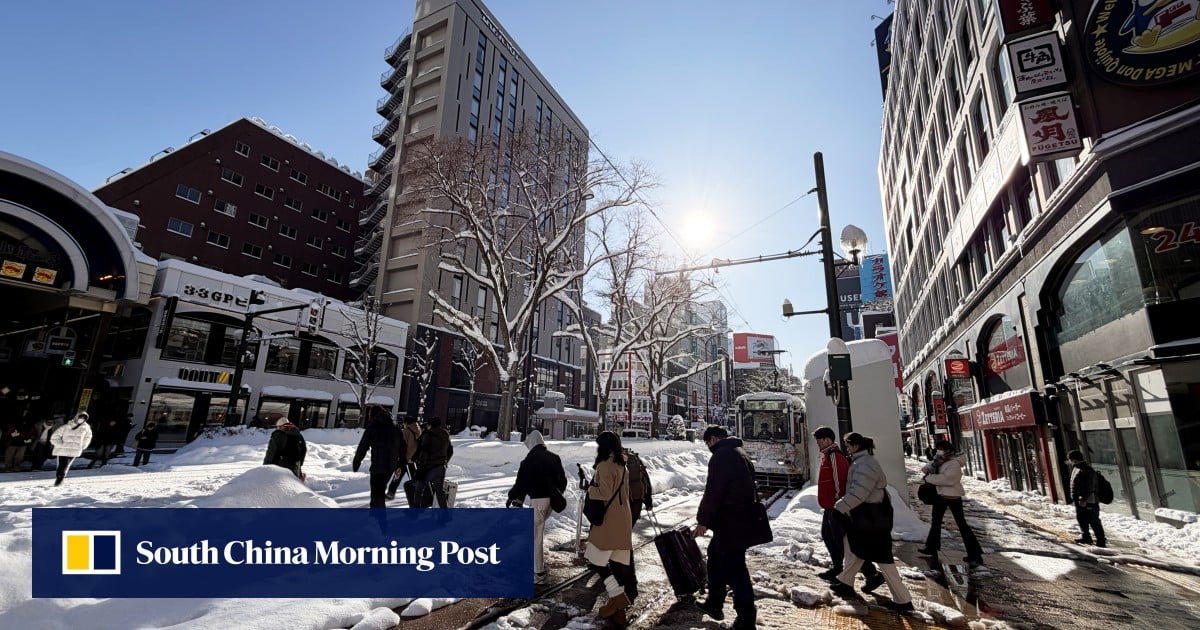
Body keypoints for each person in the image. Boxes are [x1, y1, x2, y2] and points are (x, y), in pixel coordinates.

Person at [829, 432, 914, 613]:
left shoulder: (865, 465)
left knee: (882, 559)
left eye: (848, 444)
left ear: (856, 446)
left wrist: (840, 508)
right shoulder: (863, 462)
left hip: (870, 518)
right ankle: (845, 581)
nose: (847, 448)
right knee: (855, 549)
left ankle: (903, 599)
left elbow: (859, 492)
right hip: (868, 518)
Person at [694, 425, 758, 630]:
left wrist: (703, 521)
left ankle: (746, 620)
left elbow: (714, 491)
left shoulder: (722, 456)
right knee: (715, 557)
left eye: (707, 443)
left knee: (735, 570)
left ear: (712, 439)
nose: (708, 447)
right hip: (738, 521)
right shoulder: (739, 452)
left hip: (731, 522)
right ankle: (714, 603)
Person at [813, 426, 881, 588]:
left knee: (846, 542)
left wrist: (839, 503)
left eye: (819, 440)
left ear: (827, 440)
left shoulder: (834, 456)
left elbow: (839, 481)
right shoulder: (827, 456)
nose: (817, 443)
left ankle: (870, 574)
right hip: (830, 507)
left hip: (837, 507)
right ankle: (839, 568)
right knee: (831, 537)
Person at [585, 431, 635, 626]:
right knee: (617, 563)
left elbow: (604, 492)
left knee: (596, 559)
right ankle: (618, 611)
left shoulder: (605, 465)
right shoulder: (622, 463)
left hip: (609, 519)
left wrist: (589, 488)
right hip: (623, 517)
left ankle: (617, 597)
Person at [506, 430, 567, 585]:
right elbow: (563, 480)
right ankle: (531, 563)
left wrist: (512, 496)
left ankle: (538, 572)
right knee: (535, 530)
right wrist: (556, 493)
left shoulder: (529, 460)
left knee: (535, 535)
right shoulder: (554, 457)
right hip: (551, 502)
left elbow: (521, 483)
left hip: (538, 500)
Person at [918, 439, 984, 564]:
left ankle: (975, 553)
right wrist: (934, 463)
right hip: (940, 496)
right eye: (937, 448)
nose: (938, 451)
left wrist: (929, 478)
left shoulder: (954, 463)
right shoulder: (940, 461)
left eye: (941, 449)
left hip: (953, 497)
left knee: (962, 525)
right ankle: (931, 548)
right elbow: (925, 469)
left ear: (948, 450)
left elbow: (948, 480)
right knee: (935, 523)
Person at [353, 407, 404, 508]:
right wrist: (400, 463)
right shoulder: (396, 428)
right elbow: (403, 447)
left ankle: (381, 520)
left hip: (378, 464)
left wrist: (357, 461)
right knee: (379, 490)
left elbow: (363, 446)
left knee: (377, 492)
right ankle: (376, 516)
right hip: (391, 466)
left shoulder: (373, 427)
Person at [1068, 450, 1106, 548]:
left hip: (1089, 500)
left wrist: (1084, 499)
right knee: (1082, 519)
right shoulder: (1077, 468)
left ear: (1074, 459)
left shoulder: (1086, 470)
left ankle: (1101, 540)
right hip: (1080, 500)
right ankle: (1086, 537)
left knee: (1093, 520)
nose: (1070, 461)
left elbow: (1090, 487)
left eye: (1070, 459)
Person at [412, 416, 453, 507]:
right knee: (440, 493)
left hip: (428, 467)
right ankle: (445, 515)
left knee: (419, 489)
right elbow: (450, 451)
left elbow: (423, 450)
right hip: (441, 466)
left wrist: (419, 462)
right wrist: (444, 461)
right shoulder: (446, 434)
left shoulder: (428, 434)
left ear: (430, 425)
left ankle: (415, 513)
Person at [50, 412, 93, 487]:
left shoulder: (86, 428)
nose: (81, 419)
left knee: (65, 464)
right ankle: (59, 479)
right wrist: (60, 444)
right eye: (80, 417)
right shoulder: (66, 426)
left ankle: (60, 479)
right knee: (61, 465)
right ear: (76, 417)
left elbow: (88, 437)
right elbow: (55, 437)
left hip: (74, 449)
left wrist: (83, 445)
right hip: (63, 449)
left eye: (84, 418)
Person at [386, 416, 423, 501]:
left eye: (404, 422)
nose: (403, 424)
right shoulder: (419, 431)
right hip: (414, 459)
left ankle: (391, 493)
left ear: (406, 423)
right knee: (414, 479)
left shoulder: (406, 431)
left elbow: (402, 445)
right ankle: (418, 495)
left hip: (404, 459)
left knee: (397, 476)